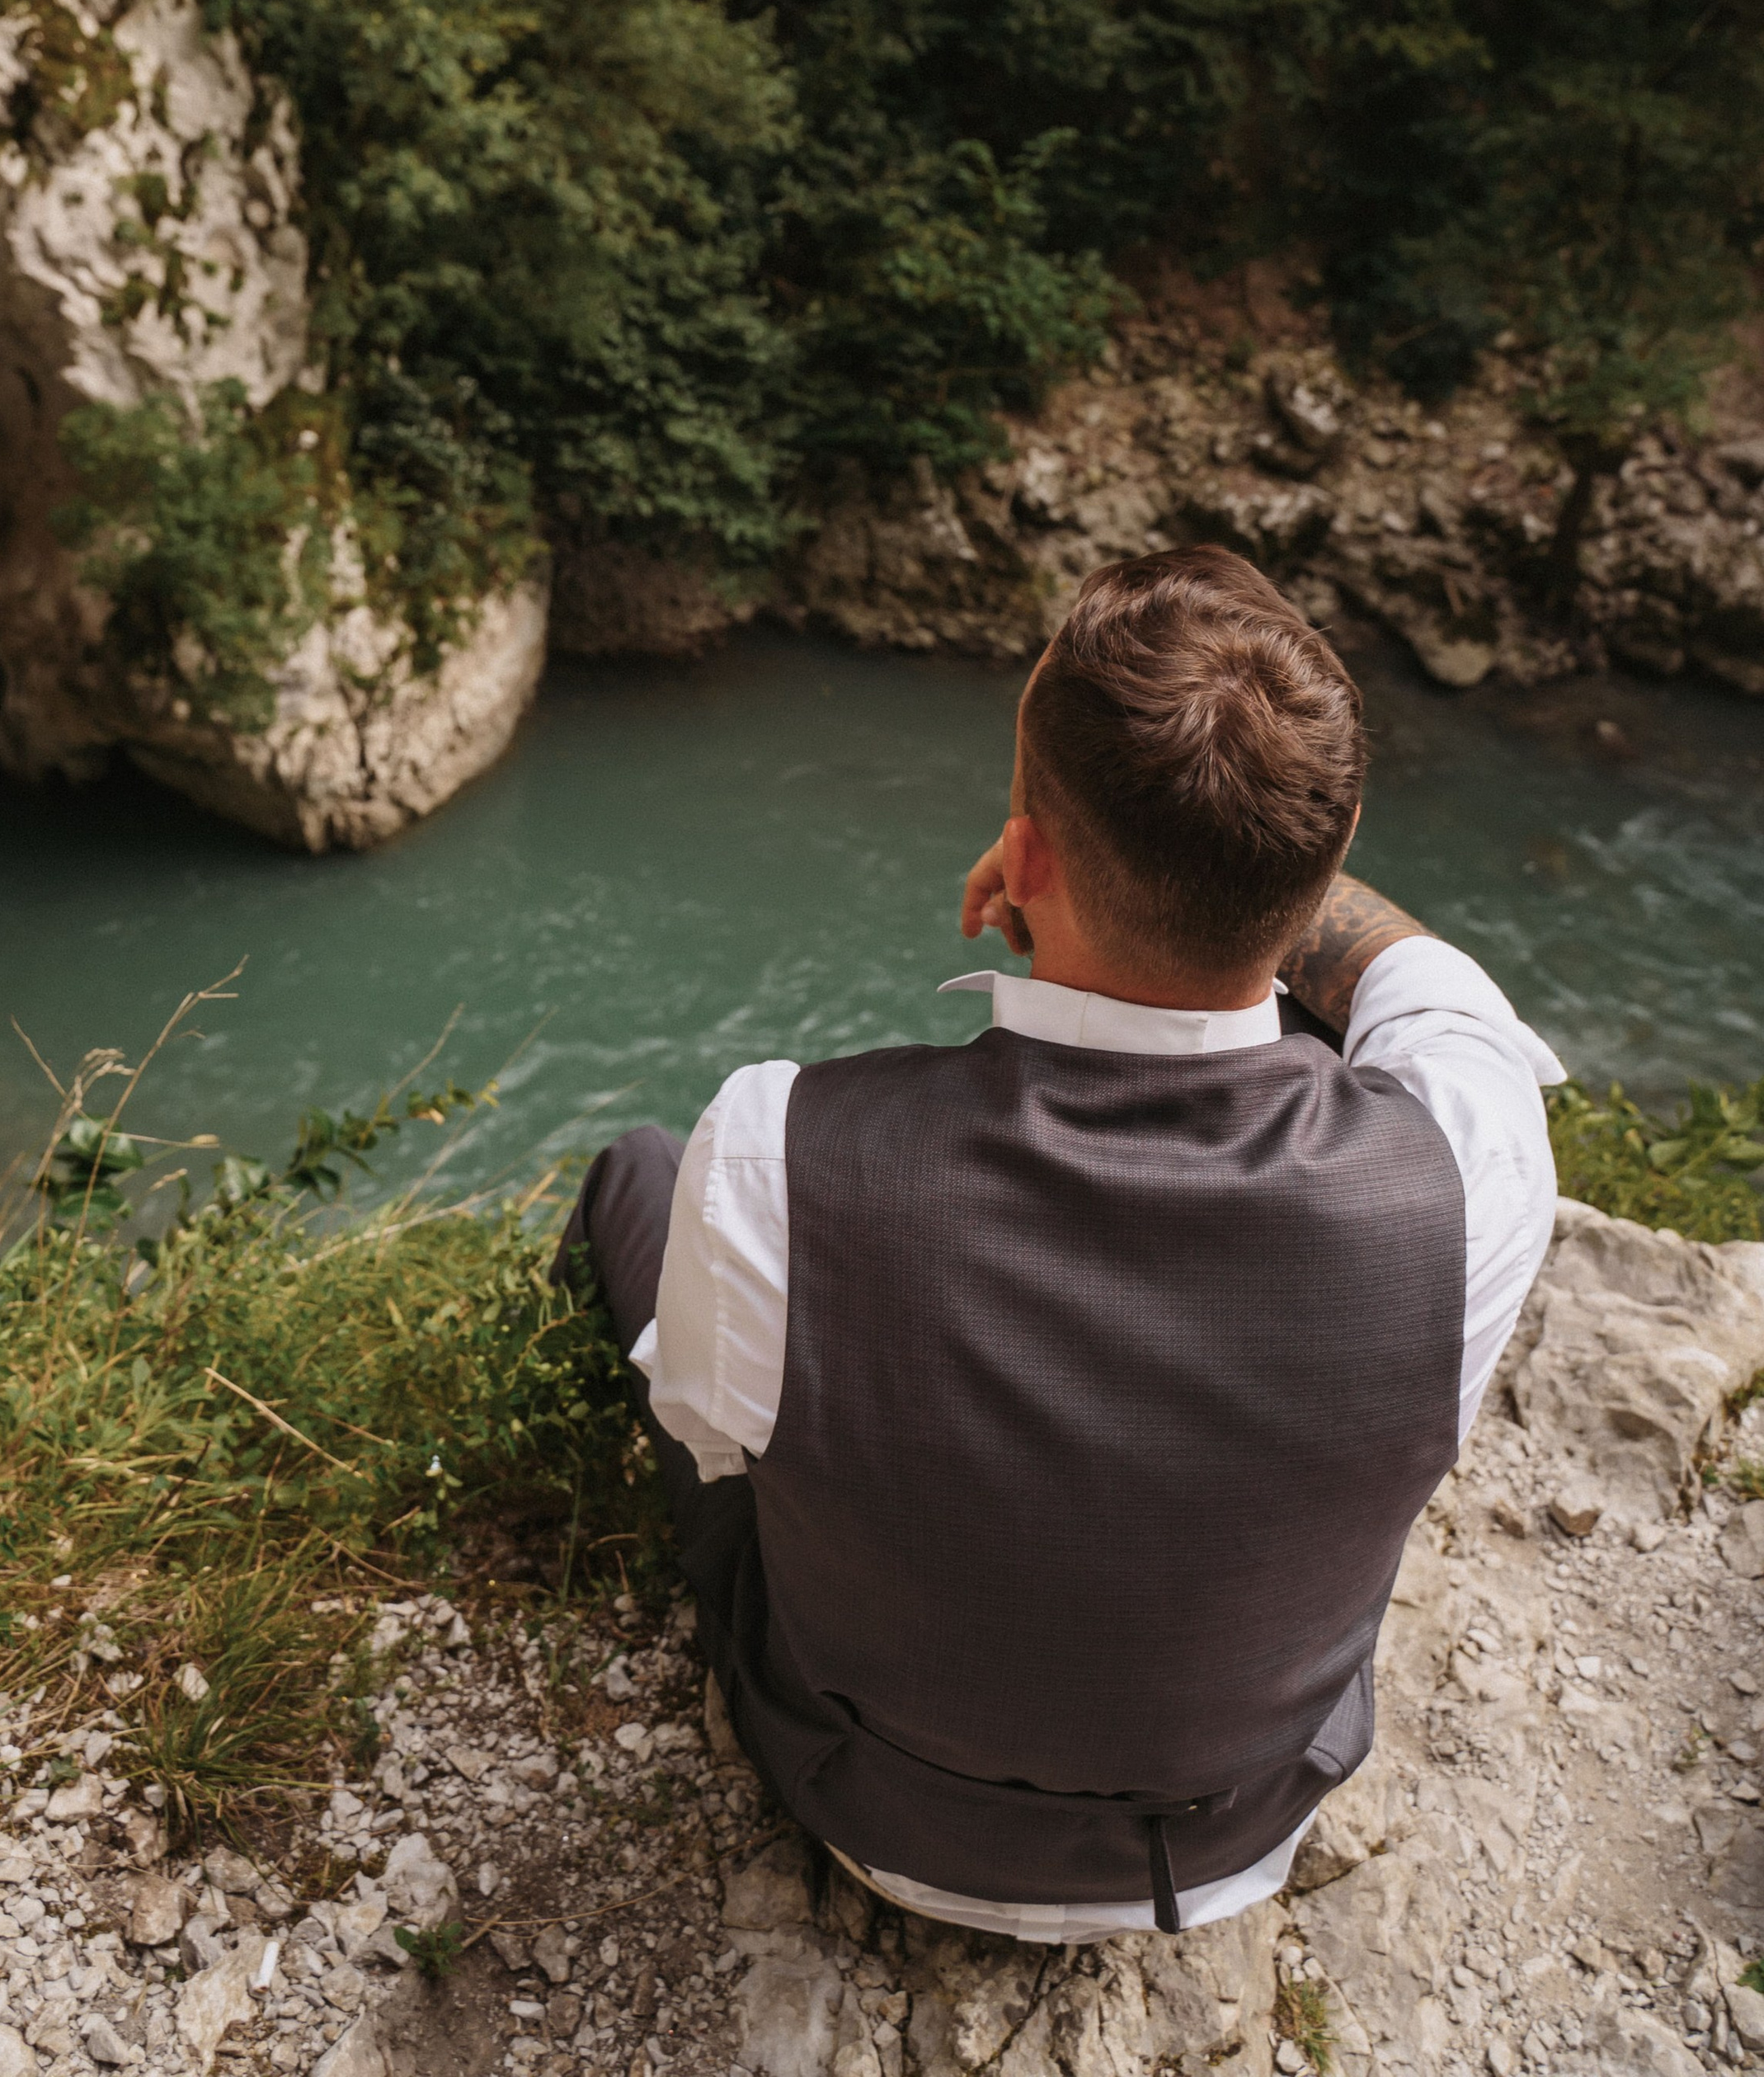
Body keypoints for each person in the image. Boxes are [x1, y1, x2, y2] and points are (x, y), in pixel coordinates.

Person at [557, 543, 1563, 1939]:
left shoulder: (777, 1146)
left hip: (881, 1816)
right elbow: (1421, 984)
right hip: (1248, 1818)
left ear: (1023, 857)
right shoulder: (1468, 1171)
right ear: (1319, 868)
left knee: (639, 1177)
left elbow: (717, 1434)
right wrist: (1232, 862)